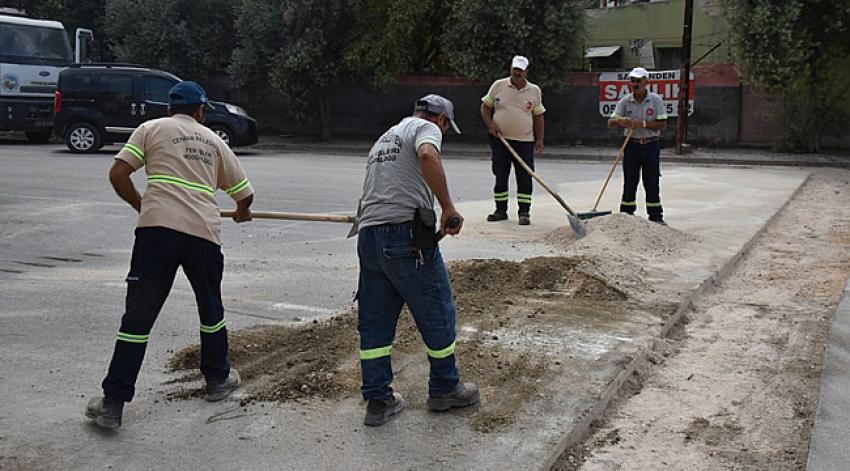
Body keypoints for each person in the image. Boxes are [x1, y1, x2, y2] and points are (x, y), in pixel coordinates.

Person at [85, 81, 254, 430]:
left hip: (157, 232)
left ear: (169, 109)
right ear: (201, 110)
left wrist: (142, 204)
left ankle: (113, 404)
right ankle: (217, 380)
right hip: (203, 235)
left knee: (138, 318)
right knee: (211, 310)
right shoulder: (214, 141)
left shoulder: (151, 129)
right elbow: (245, 193)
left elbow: (118, 173)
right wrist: (241, 210)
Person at [355, 94, 480, 426]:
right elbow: (427, 154)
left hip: (370, 237)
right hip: (404, 237)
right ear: (440, 119)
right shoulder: (425, 128)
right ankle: (444, 387)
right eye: (446, 129)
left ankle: (378, 400)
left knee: (375, 321)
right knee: (436, 308)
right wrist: (448, 207)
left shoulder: (385, 139)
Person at [480, 55, 546, 226]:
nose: (517, 73)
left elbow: (539, 117)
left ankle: (524, 212)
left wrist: (540, 140)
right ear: (511, 69)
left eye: (520, 70)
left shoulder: (534, 91)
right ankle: (500, 210)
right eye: (515, 69)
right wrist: (490, 124)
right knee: (500, 175)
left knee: (525, 176)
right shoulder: (499, 85)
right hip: (500, 140)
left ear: (526, 72)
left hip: (524, 141)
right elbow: (485, 107)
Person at [608, 67, 668, 225]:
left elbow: (662, 124)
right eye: (632, 81)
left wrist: (641, 124)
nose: (635, 84)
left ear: (646, 82)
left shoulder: (655, 100)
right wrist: (622, 121)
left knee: (651, 181)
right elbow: (611, 122)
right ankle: (627, 214)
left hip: (650, 145)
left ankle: (656, 216)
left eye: (638, 81)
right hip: (632, 144)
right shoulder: (625, 101)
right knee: (630, 180)